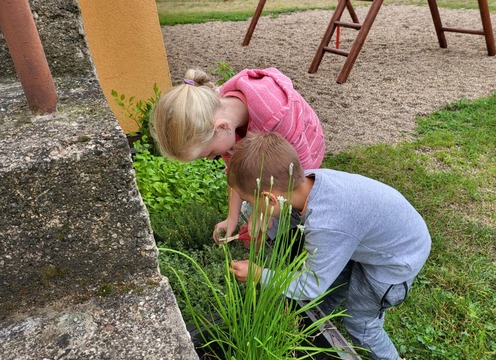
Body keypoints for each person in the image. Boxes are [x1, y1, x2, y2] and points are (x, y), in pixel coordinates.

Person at [228, 132, 432, 360]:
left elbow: (310, 285)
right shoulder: (308, 183)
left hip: (395, 259)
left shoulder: (327, 225)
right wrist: (267, 231)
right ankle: (307, 330)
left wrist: (259, 275)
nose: (252, 208)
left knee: (360, 323)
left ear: (271, 199)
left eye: (252, 202)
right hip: (368, 239)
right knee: (320, 300)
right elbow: (293, 212)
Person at [150, 67, 325, 242]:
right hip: (263, 144)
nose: (212, 158)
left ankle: (300, 231)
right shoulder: (219, 114)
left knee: (295, 209)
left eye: (210, 153)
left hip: (303, 154)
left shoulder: (279, 115)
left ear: (222, 127)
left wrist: (265, 213)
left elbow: (298, 176)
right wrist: (232, 218)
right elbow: (236, 171)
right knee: (252, 209)